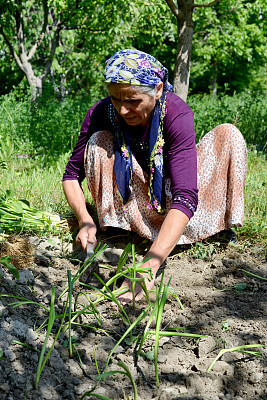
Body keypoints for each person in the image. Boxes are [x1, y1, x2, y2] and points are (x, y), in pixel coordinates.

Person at [62, 49, 247, 304]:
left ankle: (208, 230)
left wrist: (150, 264)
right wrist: (85, 219)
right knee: (97, 142)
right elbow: (71, 175)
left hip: (173, 196)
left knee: (229, 135)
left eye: (133, 101)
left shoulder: (176, 113)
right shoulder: (102, 112)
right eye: (116, 99)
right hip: (138, 196)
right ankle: (128, 228)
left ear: (158, 89)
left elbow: (185, 196)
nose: (123, 110)